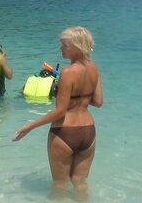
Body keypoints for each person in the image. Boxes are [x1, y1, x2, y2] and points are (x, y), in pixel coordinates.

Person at [13, 26, 104, 194]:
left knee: (60, 184)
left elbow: (60, 111)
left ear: (77, 47)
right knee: (80, 182)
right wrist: (79, 97)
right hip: (88, 131)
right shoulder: (94, 68)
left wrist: (29, 127)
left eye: (64, 45)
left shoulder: (67, 72)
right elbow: (98, 102)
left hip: (65, 132)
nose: (61, 48)